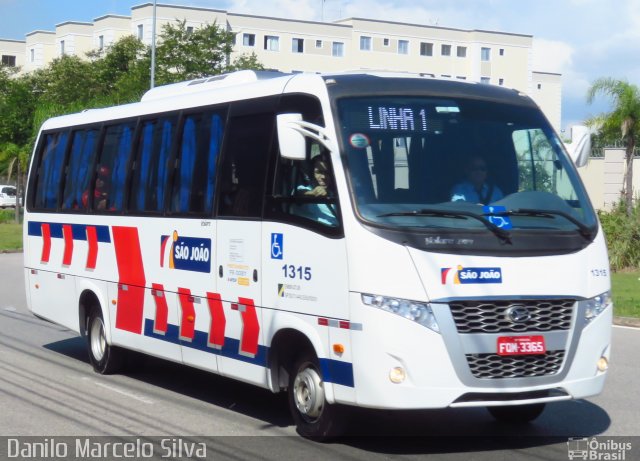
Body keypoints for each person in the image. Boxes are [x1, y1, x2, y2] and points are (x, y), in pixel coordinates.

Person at [295, 154, 338, 226]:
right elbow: (298, 194)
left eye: (327, 173)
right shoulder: (305, 188)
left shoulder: (338, 190)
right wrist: (312, 193)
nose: (323, 177)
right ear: (312, 173)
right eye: (318, 172)